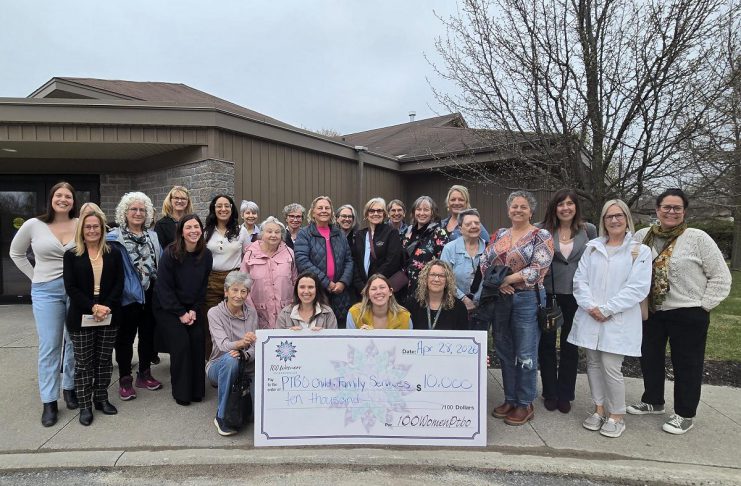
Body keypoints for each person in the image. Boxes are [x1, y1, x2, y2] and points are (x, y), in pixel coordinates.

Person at [627, 188, 732, 435]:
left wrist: (704, 305)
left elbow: (720, 276)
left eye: (676, 208)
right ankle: (653, 400)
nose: (671, 212)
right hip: (651, 310)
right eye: (666, 207)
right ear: (657, 210)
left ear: (684, 212)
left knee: (687, 364)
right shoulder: (643, 236)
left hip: (688, 311)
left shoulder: (697, 238)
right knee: (649, 357)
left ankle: (685, 413)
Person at [568, 200, 651, 438]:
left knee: (611, 367)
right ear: (603, 221)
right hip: (590, 316)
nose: (614, 220)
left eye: (619, 216)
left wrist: (607, 309)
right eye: (609, 217)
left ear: (627, 219)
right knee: (593, 364)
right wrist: (591, 306)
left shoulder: (639, 251)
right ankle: (599, 409)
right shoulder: (592, 248)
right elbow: (579, 280)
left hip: (618, 319)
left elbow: (637, 288)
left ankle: (617, 415)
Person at [481, 190, 554, 426]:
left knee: (525, 353)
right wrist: (497, 284)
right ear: (508, 209)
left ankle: (525, 403)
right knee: (504, 350)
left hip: (527, 299)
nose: (518, 210)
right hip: (500, 299)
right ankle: (510, 399)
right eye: (514, 206)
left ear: (531, 211)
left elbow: (538, 268)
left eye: (523, 207)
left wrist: (506, 280)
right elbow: (484, 262)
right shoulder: (500, 234)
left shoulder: (540, 235)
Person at [10, 182, 78, 426]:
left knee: (73, 342)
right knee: (50, 346)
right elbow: (16, 253)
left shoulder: (79, 224)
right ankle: (49, 401)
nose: (63, 199)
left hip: (75, 291)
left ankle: (70, 388)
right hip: (45, 291)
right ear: (51, 198)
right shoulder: (34, 225)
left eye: (68, 196)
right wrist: (34, 276)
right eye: (58, 195)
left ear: (73, 200)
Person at [537, 189, 598, 414]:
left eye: (570, 204)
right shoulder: (541, 229)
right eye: (561, 204)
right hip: (549, 295)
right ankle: (550, 392)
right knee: (547, 345)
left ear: (576, 207)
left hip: (576, 295)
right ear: (554, 207)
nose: (565, 208)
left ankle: (565, 394)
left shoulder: (588, 230)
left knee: (571, 345)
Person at [63, 209, 124, 425]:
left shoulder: (113, 252)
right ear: (82, 229)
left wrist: (105, 306)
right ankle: (85, 406)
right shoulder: (71, 255)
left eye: (96, 226)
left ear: (102, 229)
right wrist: (93, 307)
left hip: (108, 314)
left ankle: (101, 399)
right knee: (83, 364)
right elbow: (71, 287)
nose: (92, 230)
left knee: (104, 361)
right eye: (88, 226)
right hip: (81, 315)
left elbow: (119, 282)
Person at [107, 192, 163, 400]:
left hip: (150, 294)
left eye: (142, 210)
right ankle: (125, 379)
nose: (138, 213)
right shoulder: (113, 238)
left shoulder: (153, 237)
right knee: (125, 339)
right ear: (125, 212)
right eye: (134, 209)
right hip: (126, 297)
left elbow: (161, 263)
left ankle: (145, 374)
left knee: (148, 336)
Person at [153, 214, 213, 406]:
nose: (193, 231)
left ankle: (196, 390)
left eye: (197, 227)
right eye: (188, 227)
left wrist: (194, 309)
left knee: (197, 340)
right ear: (181, 231)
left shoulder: (206, 255)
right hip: (168, 307)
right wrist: (180, 313)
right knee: (181, 343)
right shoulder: (170, 253)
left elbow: (202, 286)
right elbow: (164, 288)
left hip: (191, 307)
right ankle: (182, 392)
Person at [206, 271, 258, 436]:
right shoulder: (214, 313)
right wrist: (242, 344)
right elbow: (222, 345)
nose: (239, 295)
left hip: (246, 365)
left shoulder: (252, 313)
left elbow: (256, 346)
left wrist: (245, 354)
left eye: (243, 291)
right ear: (226, 291)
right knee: (230, 359)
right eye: (234, 290)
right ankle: (221, 416)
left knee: (252, 416)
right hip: (219, 365)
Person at [294, 196, 354, 328]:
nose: (324, 210)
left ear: (332, 212)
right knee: (318, 328)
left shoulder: (339, 234)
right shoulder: (305, 234)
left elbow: (349, 260)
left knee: (338, 328)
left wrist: (342, 282)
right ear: (313, 212)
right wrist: (327, 283)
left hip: (339, 292)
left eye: (327, 208)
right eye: (320, 208)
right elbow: (302, 261)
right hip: (317, 292)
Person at [203, 195, 248, 356]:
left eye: (227, 206)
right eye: (219, 206)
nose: (223, 209)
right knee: (211, 322)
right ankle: (213, 361)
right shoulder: (206, 231)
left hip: (234, 281)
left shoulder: (241, 231)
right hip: (211, 281)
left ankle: (236, 359)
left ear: (232, 208)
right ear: (213, 209)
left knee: (233, 321)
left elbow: (248, 256)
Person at [241, 216, 297, 329]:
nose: (273, 235)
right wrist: (250, 309)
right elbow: (243, 284)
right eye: (269, 231)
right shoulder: (250, 253)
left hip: (285, 312)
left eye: (277, 232)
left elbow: (295, 281)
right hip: (258, 313)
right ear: (262, 234)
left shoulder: (289, 253)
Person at [440, 208, 487, 331]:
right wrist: (464, 299)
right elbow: (444, 278)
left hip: (483, 308)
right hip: (454, 305)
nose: (474, 226)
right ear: (460, 229)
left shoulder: (489, 249)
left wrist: (477, 300)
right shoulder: (449, 249)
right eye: (468, 224)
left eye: (477, 223)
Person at [351, 197, 404, 296]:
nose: (375, 213)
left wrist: (373, 283)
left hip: (381, 288)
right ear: (366, 214)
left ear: (384, 214)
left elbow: (392, 262)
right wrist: (360, 286)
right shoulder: (359, 235)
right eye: (372, 211)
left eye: (379, 210)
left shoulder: (391, 233)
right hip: (361, 289)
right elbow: (354, 261)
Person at [401, 196, 449, 293]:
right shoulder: (408, 231)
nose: (422, 213)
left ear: (432, 213)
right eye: (418, 209)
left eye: (426, 210)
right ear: (414, 212)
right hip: (404, 286)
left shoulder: (439, 233)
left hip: (426, 288)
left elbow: (443, 264)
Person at [406, 260, 468, 330]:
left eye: (441, 276)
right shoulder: (412, 304)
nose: (436, 279)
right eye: (432, 275)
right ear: (425, 278)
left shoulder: (459, 307)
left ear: (447, 281)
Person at [346, 274, 412, 329]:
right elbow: (349, 342)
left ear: (390, 292)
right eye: (373, 289)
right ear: (368, 294)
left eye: (382, 287)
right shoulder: (355, 313)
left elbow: (409, 343)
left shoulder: (404, 316)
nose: (378, 292)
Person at [154, 186, 193, 250]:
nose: (180, 201)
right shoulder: (161, 224)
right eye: (176, 198)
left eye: (183, 198)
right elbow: (159, 250)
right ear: (170, 200)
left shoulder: (193, 222)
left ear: (188, 201)